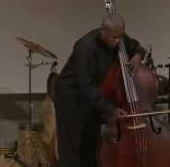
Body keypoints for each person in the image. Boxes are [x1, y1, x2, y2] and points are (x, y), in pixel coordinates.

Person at [54, 13, 145, 167]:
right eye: (114, 38)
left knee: (91, 142)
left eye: (120, 37)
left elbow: (136, 47)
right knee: (73, 146)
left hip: (92, 94)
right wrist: (110, 109)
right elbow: (86, 86)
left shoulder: (119, 36)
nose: (118, 42)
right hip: (71, 96)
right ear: (103, 31)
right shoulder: (85, 47)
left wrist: (137, 56)